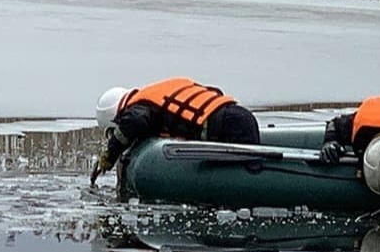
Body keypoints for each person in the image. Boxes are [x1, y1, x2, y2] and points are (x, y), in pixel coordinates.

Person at [89, 77, 259, 185]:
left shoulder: (139, 107)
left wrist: (109, 156)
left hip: (227, 128)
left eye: (114, 131)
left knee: (249, 175)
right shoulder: (156, 94)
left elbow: (135, 122)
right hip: (239, 117)